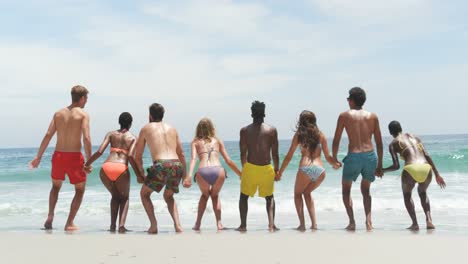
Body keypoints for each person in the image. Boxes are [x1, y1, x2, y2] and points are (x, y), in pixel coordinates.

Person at [29, 85, 91, 231]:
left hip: (58, 155)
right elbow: (87, 138)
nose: (86, 101)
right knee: (80, 190)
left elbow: (48, 135)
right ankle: (69, 222)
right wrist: (88, 161)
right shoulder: (83, 115)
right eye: (86, 98)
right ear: (82, 98)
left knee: (55, 187)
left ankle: (50, 216)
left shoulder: (58, 113)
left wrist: (38, 157)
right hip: (75, 157)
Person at [278, 111, 341, 231]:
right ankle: (314, 224)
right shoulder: (321, 135)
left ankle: (302, 225)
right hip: (320, 170)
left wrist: (280, 172)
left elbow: (289, 156)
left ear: (301, 121)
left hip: (305, 167)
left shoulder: (299, 135)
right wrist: (336, 164)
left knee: (297, 194)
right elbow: (328, 157)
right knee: (307, 193)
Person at [332, 87, 383, 231]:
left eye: (348, 99)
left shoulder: (344, 116)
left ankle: (352, 222)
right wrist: (379, 164)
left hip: (354, 155)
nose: (348, 102)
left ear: (352, 100)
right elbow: (379, 143)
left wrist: (335, 158)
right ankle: (368, 222)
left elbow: (336, 140)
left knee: (346, 190)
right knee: (366, 191)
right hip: (370, 155)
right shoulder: (373, 116)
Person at [134, 103, 187, 234]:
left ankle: (153, 225)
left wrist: (141, 174)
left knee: (144, 194)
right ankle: (178, 226)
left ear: (150, 116)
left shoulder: (146, 128)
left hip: (161, 164)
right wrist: (185, 174)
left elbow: (138, 155)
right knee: (169, 196)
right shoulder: (172, 129)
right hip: (176, 164)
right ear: (163, 115)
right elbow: (181, 153)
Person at [383, 121, 446, 231]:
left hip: (410, 169)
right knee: (423, 193)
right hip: (426, 168)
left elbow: (396, 166)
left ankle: (415, 224)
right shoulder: (415, 137)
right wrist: (437, 174)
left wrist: (383, 170)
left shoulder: (393, 143)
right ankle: (429, 220)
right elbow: (427, 155)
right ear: (401, 128)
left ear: (390, 132)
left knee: (407, 196)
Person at [84, 112, 140, 233]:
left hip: (106, 168)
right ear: (130, 124)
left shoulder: (110, 134)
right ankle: (121, 226)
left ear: (119, 122)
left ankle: (112, 226)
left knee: (115, 196)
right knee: (124, 198)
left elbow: (99, 152)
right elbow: (130, 156)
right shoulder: (133, 138)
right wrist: (139, 175)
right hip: (121, 168)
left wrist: (87, 163)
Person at [184, 118, 242, 231]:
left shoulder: (195, 142)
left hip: (202, 171)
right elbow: (228, 161)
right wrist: (240, 173)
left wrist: (189, 176)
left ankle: (197, 224)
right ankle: (219, 223)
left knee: (204, 196)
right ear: (212, 128)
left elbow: (193, 159)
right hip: (218, 171)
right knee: (215, 196)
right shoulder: (217, 141)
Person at [237, 100, 279, 232]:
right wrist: (277, 170)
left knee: (244, 196)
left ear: (251, 113)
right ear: (264, 113)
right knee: (270, 197)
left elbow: (243, 152)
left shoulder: (244, 131)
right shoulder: (271, 130)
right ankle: (271, 224)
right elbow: (275, 154)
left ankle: (243, 225)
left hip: (251, 167)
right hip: (267, 168)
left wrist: (245, 169)